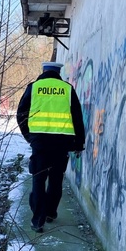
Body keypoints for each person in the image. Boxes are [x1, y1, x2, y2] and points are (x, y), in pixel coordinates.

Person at [16, 61, 85, 233]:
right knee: (56, 179)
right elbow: (77, 118)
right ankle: (51, 212)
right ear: (58, 73)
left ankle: (37, 220)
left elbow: (21, 114)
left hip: (40, 144)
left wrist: (29, 137)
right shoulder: (67, 89)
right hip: (62, 144)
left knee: (38, 180)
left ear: (44, 71)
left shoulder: (34, 87)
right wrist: (79, 143)